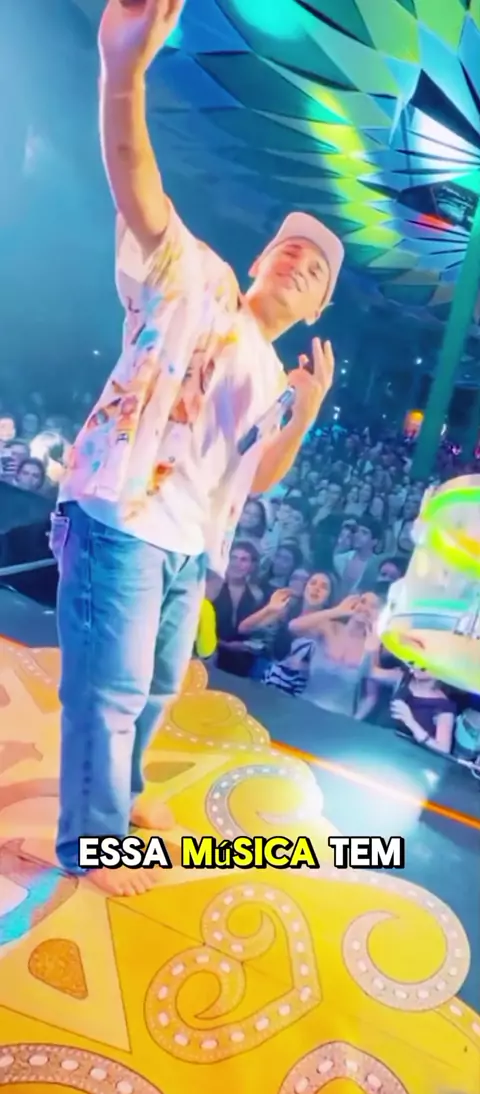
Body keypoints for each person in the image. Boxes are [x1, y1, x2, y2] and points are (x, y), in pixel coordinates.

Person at [49, 0, 344, 896]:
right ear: (259, 261)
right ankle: (92, 842)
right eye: (289, 250)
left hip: (186, 546)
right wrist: (124, 71)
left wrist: (302, 415)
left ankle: (126, 797)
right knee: (109, 690)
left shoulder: (273, 374)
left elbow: (255, 479)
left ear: (318, 308)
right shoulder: (199, 280)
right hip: (120, 516)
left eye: (316, 269)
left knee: (154, 689)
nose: (298, 262)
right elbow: (137, 183)